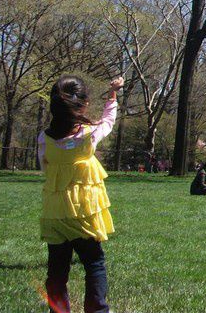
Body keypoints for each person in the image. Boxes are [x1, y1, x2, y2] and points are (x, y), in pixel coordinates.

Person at [39, 75, 124, 313]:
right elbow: (108, 121)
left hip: (56, 213)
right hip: (84, 212)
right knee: (94, 263)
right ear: (83, 105)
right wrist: (113, 93)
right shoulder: (89, 134)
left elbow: (45, 167)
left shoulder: (44, 139)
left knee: (57, 270)